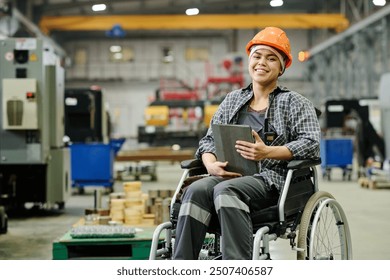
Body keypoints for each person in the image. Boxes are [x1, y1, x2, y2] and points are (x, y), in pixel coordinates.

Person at [172, 27, 321, 260]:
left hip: (273, 182)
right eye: (257, 56)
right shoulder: (232, 100)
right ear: (249, 60)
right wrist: (210, 164)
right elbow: (208, 140)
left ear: (282, 66)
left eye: (272, 58)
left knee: (225, 190)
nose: (262, 62)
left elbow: (311, 144)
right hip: (228, 175)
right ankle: (182, 266)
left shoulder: (295, 103)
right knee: (196, 190)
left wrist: (267, 152)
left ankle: (238, 266)